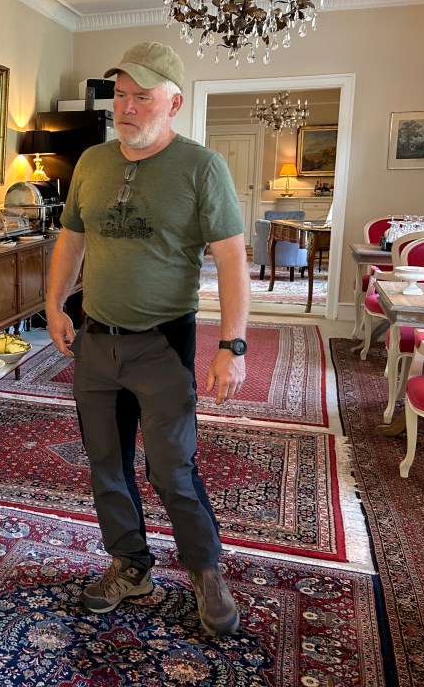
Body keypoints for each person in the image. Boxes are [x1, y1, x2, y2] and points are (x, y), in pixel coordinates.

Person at [45, 41, 250, 636]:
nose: (126, 107)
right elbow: (71, 240)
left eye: (142, 96)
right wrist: (54, 304)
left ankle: (205, 570)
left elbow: (232, 260)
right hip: (96, 342)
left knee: (172, 468)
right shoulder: (91, 162)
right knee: (105, 462)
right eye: (120, 95)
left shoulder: (202, 167)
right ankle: (130, 565)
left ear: (174, 103)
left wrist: (232, 346)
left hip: (162, 344)